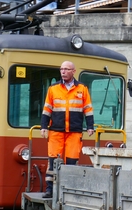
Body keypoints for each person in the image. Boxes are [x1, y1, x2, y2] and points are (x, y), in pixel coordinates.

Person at [40, 61, 94, 198]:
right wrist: (43, 127)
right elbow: (47, 109)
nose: (63, 72)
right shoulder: (53, 89)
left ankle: (69, 190)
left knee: (71, 160)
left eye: (66, 69)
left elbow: (88, 109)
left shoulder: (82, 89)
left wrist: (90, 126)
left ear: (73, 71)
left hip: (74, 131)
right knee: (52, 161)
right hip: (56, 131)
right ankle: (50, 190)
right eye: (61, 69)